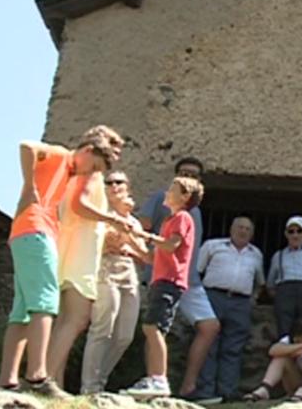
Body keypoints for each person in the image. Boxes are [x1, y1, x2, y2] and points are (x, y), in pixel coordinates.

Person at [0, 125, 125, 398]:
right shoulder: (60, 155)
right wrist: (30, 188)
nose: (90, 173)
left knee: (21, 310)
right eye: (93, 166)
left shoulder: (68, 171)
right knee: (45, 302)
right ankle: (38, 375)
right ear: (88, 150)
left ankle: (7, 379)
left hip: (25, 233)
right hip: (36, 231)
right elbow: (26, 146)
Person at [139, 156, 221, 401]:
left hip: (189, 278)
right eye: (184, 173)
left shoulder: (193, 211)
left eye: (194, 175)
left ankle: (188, 386)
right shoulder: (160, 199)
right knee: (156, 327)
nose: (189, 177)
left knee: (209, 326)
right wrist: (146, 256)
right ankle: (153, 380)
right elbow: (143, 228)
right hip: (163, 273)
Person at [122, 176, 202, 398]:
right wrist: (130, 243)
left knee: (154, 328)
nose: (166, 192)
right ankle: (155, 378)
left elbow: (170, 246)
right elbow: (151, 258)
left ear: (185, 197)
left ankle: (158, 379)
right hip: (161, 280)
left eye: (172, 189)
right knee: (152, 327)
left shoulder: (183, 218)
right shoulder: (169, 221)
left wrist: (144, 235)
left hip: (170, 281)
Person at [80, 171, 150, 394]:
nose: (113, 186)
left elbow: (146, 256)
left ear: (127, 187)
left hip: (128, 270)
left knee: (124, 335)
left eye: (118, 182)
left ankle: (100, 379)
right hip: (105, 268)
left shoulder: (133, 221)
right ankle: (90, 386)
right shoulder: (100, 214)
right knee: (103, 327)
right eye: (108, 182)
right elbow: (92, 245)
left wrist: (129, 241)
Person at [196, 216, 265, 401]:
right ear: (231, 229)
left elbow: (260, 282)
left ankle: (227, 392)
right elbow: (197, 271)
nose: (243, 231)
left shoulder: (256, 254)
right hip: (213, 297)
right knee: (208, 345)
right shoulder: (212, 246)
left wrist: (252, 299)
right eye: (240, 227)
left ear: (252, 234)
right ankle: (205, 392)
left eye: (247, 229)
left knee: (233, 348)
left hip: (240, 303)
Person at [243, 316, 302, 403]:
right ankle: (265, 388)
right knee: (281, 358)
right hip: (296, 383)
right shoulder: (289, 340)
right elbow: (273, 350)